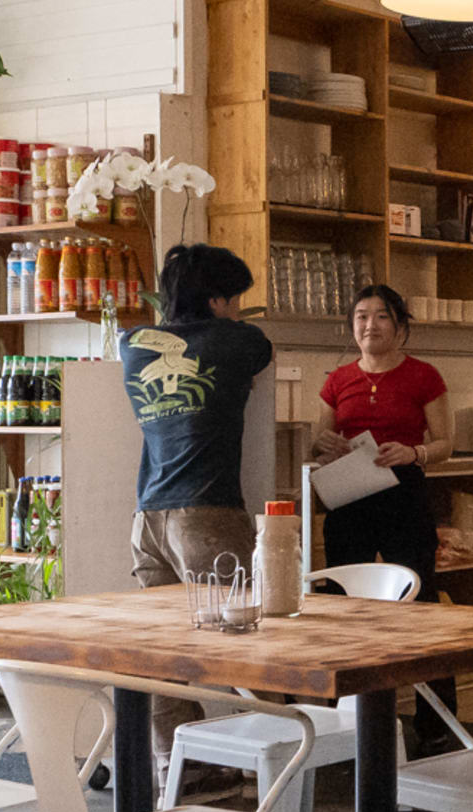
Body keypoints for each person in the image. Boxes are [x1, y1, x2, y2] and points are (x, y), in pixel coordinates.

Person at [122, 242, 275, 769]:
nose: (238, 310)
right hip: (207, 512)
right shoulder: (240, 341)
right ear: (216, 301)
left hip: (148, 516)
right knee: (250, 647)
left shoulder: (132, 343)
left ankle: (179, 770)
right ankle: (272, 766)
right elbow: (258, 352)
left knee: (164, 656)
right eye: (234, 299)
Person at [313, 283, 456, 591]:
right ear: (351, 325)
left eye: (381, 317)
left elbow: (445, 444)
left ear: (399, 326)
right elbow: (318, 441)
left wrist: (414, 453)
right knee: (344, 591)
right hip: (349, 494)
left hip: (403, 492)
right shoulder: (338, 380)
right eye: (361, 317)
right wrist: (323, 444)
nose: (370, 325)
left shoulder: (424, 376)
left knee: (414, 589)